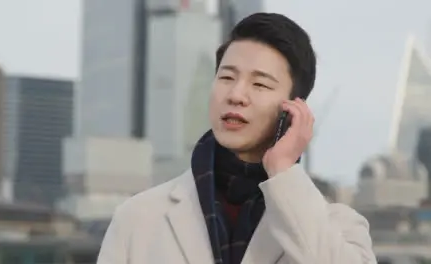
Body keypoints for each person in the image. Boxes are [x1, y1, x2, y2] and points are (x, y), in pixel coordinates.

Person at [97, 13, 377, 264]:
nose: (236, 95)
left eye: (259, 84)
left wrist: (282, 170)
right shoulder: (138, 219)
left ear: (294, 109)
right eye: (227, 77)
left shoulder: (341, 228)